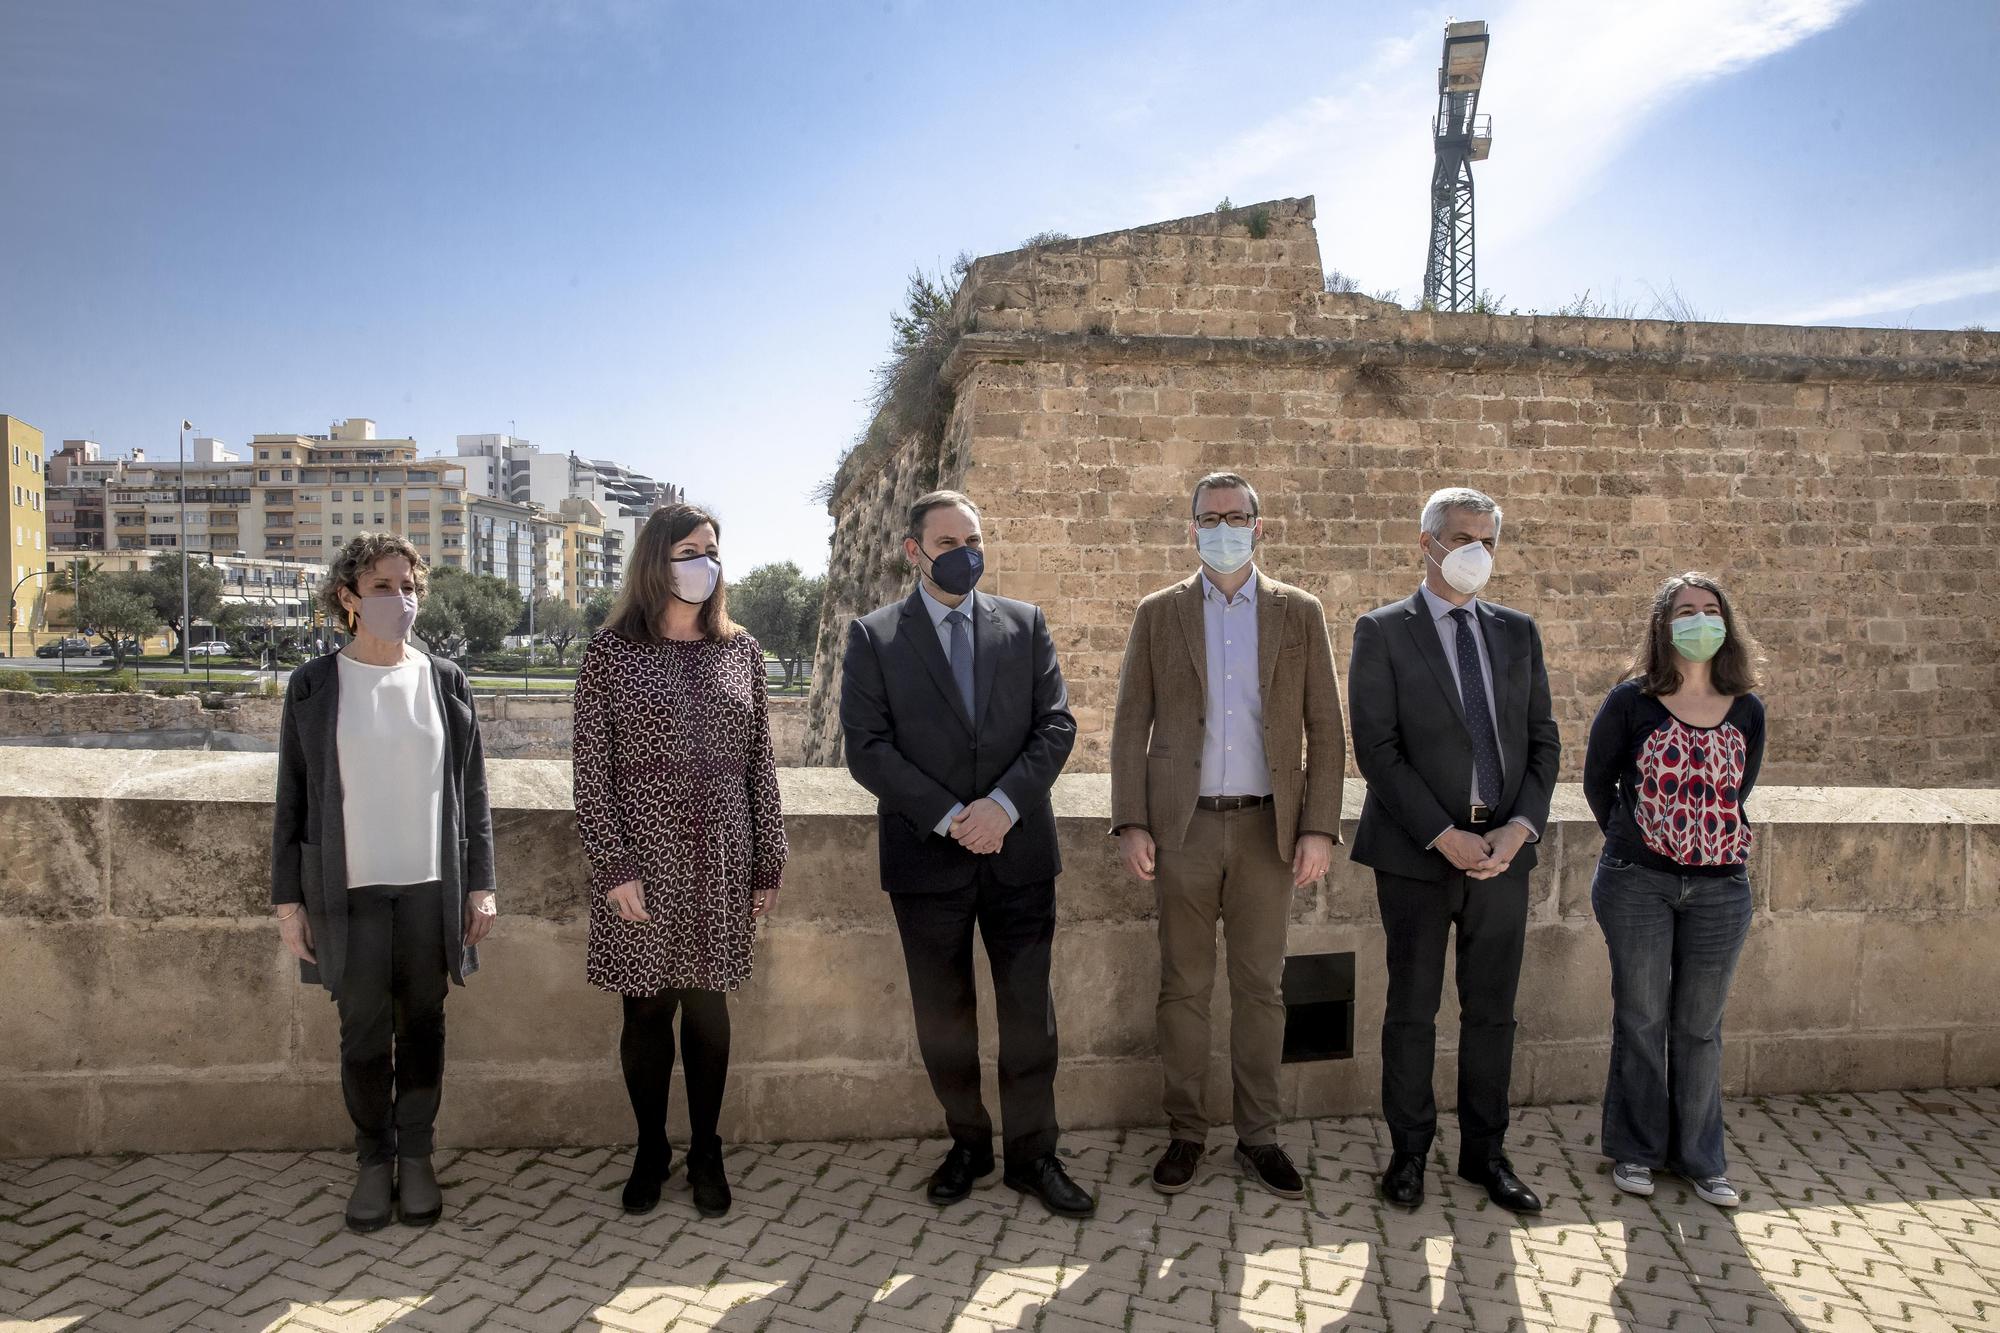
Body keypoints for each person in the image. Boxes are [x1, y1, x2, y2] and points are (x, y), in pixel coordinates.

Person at [839, 490, 1091, 1217]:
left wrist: (1002, 806)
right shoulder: (874, 636)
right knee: (942, 1015)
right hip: (928, 859)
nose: (963, 551)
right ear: (915, 550)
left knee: (1029, 1016)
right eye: (947, 541)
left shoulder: (1025, 623)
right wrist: (953, 816)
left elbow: (1056, 725)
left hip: (1018, 856)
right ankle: (969, 1143)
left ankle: (1034, 1156)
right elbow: (868, 748)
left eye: (973, 537)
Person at [1108, 472, 1346, 1199]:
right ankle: (1186, 1131)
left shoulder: (1299, 612)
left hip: (1267, 830)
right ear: (1192, 530)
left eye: (1235, 516)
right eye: (1209, 518)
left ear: (1258, 526)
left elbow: (1327, 731)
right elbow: (1128, 725)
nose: (1223, 527)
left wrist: (1318, 829)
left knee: (1261, 987)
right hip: (1183, 829)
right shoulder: (1159, 613)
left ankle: (1259, 1135)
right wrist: (1131, 820)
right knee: (1183, 986)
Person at [270, 532, 498, 1232]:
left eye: (409, 587)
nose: (400, 600)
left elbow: (473, 791)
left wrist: (480, 884)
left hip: (431, 886)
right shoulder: (313, 685)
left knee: (424, 1024)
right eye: (382, 587)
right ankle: (374, 1159)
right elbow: (292, 800)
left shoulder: (445, 679)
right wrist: (288, 902)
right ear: (347, 597)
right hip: (350, 890)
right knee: (363, 1030)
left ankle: (419, 1155)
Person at [573, 502, 787, 1220]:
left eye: (713, 548)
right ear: (656, 561)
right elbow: (590, 773)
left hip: (722, 855)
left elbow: (761, 766)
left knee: (708, 1005)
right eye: (690, 548)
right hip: (643, 858)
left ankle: (706, 1148)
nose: (706, 561)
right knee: (645, 1007)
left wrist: (768, 860)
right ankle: (650, 1146)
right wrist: (613, 865)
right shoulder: (609, 653)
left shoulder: (743, 652)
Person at [1348, 486, 1559, 1215]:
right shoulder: (1382, 632)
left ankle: (1485, 1153)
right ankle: (1408, 1154)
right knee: (1411, 1009)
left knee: (1492, 1010)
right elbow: (1376, 748)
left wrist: (1518, 828)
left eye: (1488, 540)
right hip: (1417, 854)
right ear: (1426, 542)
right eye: (1462, 536)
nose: (1476, 551)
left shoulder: (1517, 632)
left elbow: (1542, 741)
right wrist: (1445, 834)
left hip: (1503, 855)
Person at [1582, 572, 1765, 1209]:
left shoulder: (1747, 708)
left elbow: (1736, 793)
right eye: (1684, 611)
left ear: (1727, 624)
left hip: (1721, 890)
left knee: (1700, 1027)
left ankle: (1701, 1159)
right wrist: (1641, 840)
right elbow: (1597, 781)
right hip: (1638, 883)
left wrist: (1699, 843)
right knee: (1641, 1018)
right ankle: (1635, 1151)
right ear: (1663, 626)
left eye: (1709, 610)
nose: (1697, 621)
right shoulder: (1630, 701)